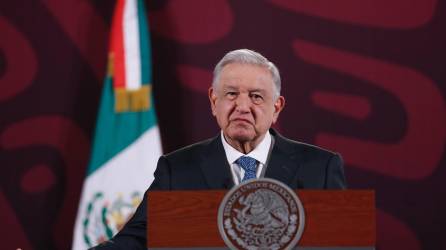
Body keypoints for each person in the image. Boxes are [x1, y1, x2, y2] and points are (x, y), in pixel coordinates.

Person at [91, 49, 346, 249]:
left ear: (277, 107)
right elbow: (138, 239)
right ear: (214, 102)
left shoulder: (320, 168)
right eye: (231, 94)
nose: (242, 106)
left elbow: (345, 243)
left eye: (256, 96)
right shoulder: (177, 170)